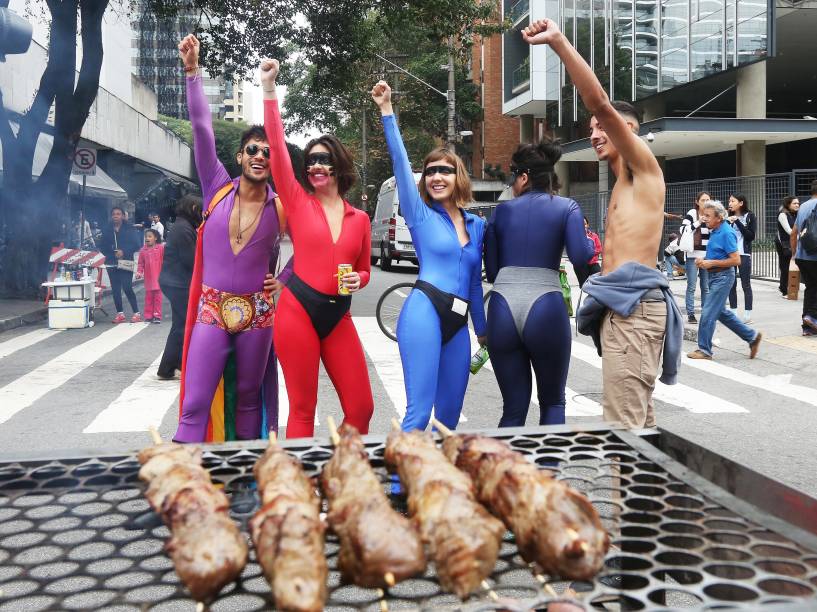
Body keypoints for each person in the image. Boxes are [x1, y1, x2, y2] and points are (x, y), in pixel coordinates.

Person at [523, 19, 682, 430]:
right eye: (592, 130)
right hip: (622, 309)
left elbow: (599, 103)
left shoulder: (645, 169)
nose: (594, 133)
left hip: (634, 311)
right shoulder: (621, 184)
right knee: (638, 428)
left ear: (628, 131)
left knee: (622, 432)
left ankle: (623, 496)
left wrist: (558, 42)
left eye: (602, 128)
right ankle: (644, 494)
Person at [175, 35, 284, 443]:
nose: (259, 155)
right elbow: (202, 129)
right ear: (240, 156)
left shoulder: (281, 205)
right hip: (212, 310)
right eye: (252, 149)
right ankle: (183, 481)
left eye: (267, 151)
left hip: (258, 313)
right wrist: (192, 72)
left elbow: (311, 250)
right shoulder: (217, 187)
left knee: (249, 398)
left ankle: (245, 483)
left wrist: (284, 280)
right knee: (195, 400)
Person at [262, 58, 374, 439]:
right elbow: (277, 148)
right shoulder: (296, 199)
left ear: (339, 165)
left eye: (324, 159)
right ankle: (301, 490)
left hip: (338, 315)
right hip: (297, 310)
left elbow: (364, 270)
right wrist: (269, 89)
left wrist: (358, 279)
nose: (316, 166)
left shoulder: (360, 218)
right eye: (311, 161)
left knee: (361, 408)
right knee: (303, 410)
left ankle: (340, 469)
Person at [373, 79, 486, 432]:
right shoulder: (419, 214)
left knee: (449, 419)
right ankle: (398, 488)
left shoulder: (477, 224)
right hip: (424, 309)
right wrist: (388, 111)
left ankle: (440, 484)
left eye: (445, 170)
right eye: (431, 171)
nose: (436, 177)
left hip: (459, 323)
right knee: (418, 414)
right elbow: (400, 164)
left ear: (458, 176)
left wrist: (482, 332)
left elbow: (473, 283)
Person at [484, 140, 594, 427]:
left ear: (524, 177)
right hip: (545, 302)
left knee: (513, 409)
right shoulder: (566, 207)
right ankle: (548, 471)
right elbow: (582, 257)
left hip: (503, 305)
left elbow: (493, 272)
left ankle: (506, 472)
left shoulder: (501, 212)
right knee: (553, 402)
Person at [687, 200, 762, 360]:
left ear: (719, 217)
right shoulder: (715, 231)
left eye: (708, 216)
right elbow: (718, 254)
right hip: (715, 277)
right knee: (721, 313)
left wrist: (711, 262)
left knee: (707, 312)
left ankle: (704, 350)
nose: (704, 218)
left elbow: (736, 260)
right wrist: (704, 261)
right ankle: (752, 337)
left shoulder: (727, 233)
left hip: (723, 277)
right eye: (703, 215)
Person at [158, 195, 202, 379]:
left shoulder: (183, 226)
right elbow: (191, 260)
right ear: (192, 207)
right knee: (183, 324)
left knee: (180, 323)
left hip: (175, 281)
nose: (201, 214)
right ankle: (169, 366)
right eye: (199, 210)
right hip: (178, 283)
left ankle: (172, 365)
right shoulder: (183, 229)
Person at [100, 206, 142, 323]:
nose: (116, 216)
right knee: (115, 289)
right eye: (114, 214)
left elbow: (137, 244)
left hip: (126, 261)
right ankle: (120, 314)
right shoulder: (107, 229)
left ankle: (136, 313)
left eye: (118, 214)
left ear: (123, 216)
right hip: (111, 262)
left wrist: (124, 251)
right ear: (111, 216)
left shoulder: (129, 228)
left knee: (127, 287)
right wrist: (112, 252)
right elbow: (102, 246)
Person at [679, 192, 711, 323]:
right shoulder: (692, 213)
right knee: (691, 286)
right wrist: (698, 222)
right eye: (703, 200)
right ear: (697, 201)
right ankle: (691, 314)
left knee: (706, 286)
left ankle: (706, 312)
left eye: (708, 200)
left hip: (707, 256)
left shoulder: (712, 213)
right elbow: (682, 230)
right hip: (693, 256)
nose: (706, 202)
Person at [791, 180, 817, 336]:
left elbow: (794, 233)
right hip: (815, 255)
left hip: (802, 256)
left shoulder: (803, 207)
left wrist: (794, 254)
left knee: (811, 288)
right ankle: (811, 317)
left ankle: (807, 327)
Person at [726, 194, 756, 323]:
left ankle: (748, 314)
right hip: (730, 255)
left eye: (733, 201)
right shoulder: (726, 217)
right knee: (731, 284)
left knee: (746, 284)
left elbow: (750, 236)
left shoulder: (750, 216)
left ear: (741, 203)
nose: (730, 203)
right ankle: (733, 312)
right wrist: (728, 221)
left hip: (744, 254)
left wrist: (737, 221)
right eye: (729, 201)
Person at [136, 228, 165, 323]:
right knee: (148, 298)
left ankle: (157, 316)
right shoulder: (143, 250)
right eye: (146, 237)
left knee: (158, 298)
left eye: (149, 236)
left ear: (155, 238)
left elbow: (165, 261)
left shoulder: (160, 248)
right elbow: (140, 263)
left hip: (159, 278)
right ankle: (148, 316)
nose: (147, 238)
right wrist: (139, 272)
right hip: (148, 279)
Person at [776, 196, 799, 298]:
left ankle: (785, 286)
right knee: (785, 266)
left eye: (798, 203)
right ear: (788, 204)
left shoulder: (797, 214)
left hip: (795, 241)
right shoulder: (783, 215)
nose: (797, 205)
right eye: (794, 203)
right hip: (784, 243)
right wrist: (801, 235)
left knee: (794, 265)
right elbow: (789, 231)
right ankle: (784, 290)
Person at [575, 216, 602, 287]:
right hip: (582, 264)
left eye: (584, 224)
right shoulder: (575, 236)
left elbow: (599, 249)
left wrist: (590, 252)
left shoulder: (594, 236)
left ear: (588, 225)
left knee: (599, 281)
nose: (583, 226)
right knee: (584, 285)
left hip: (593, 263)